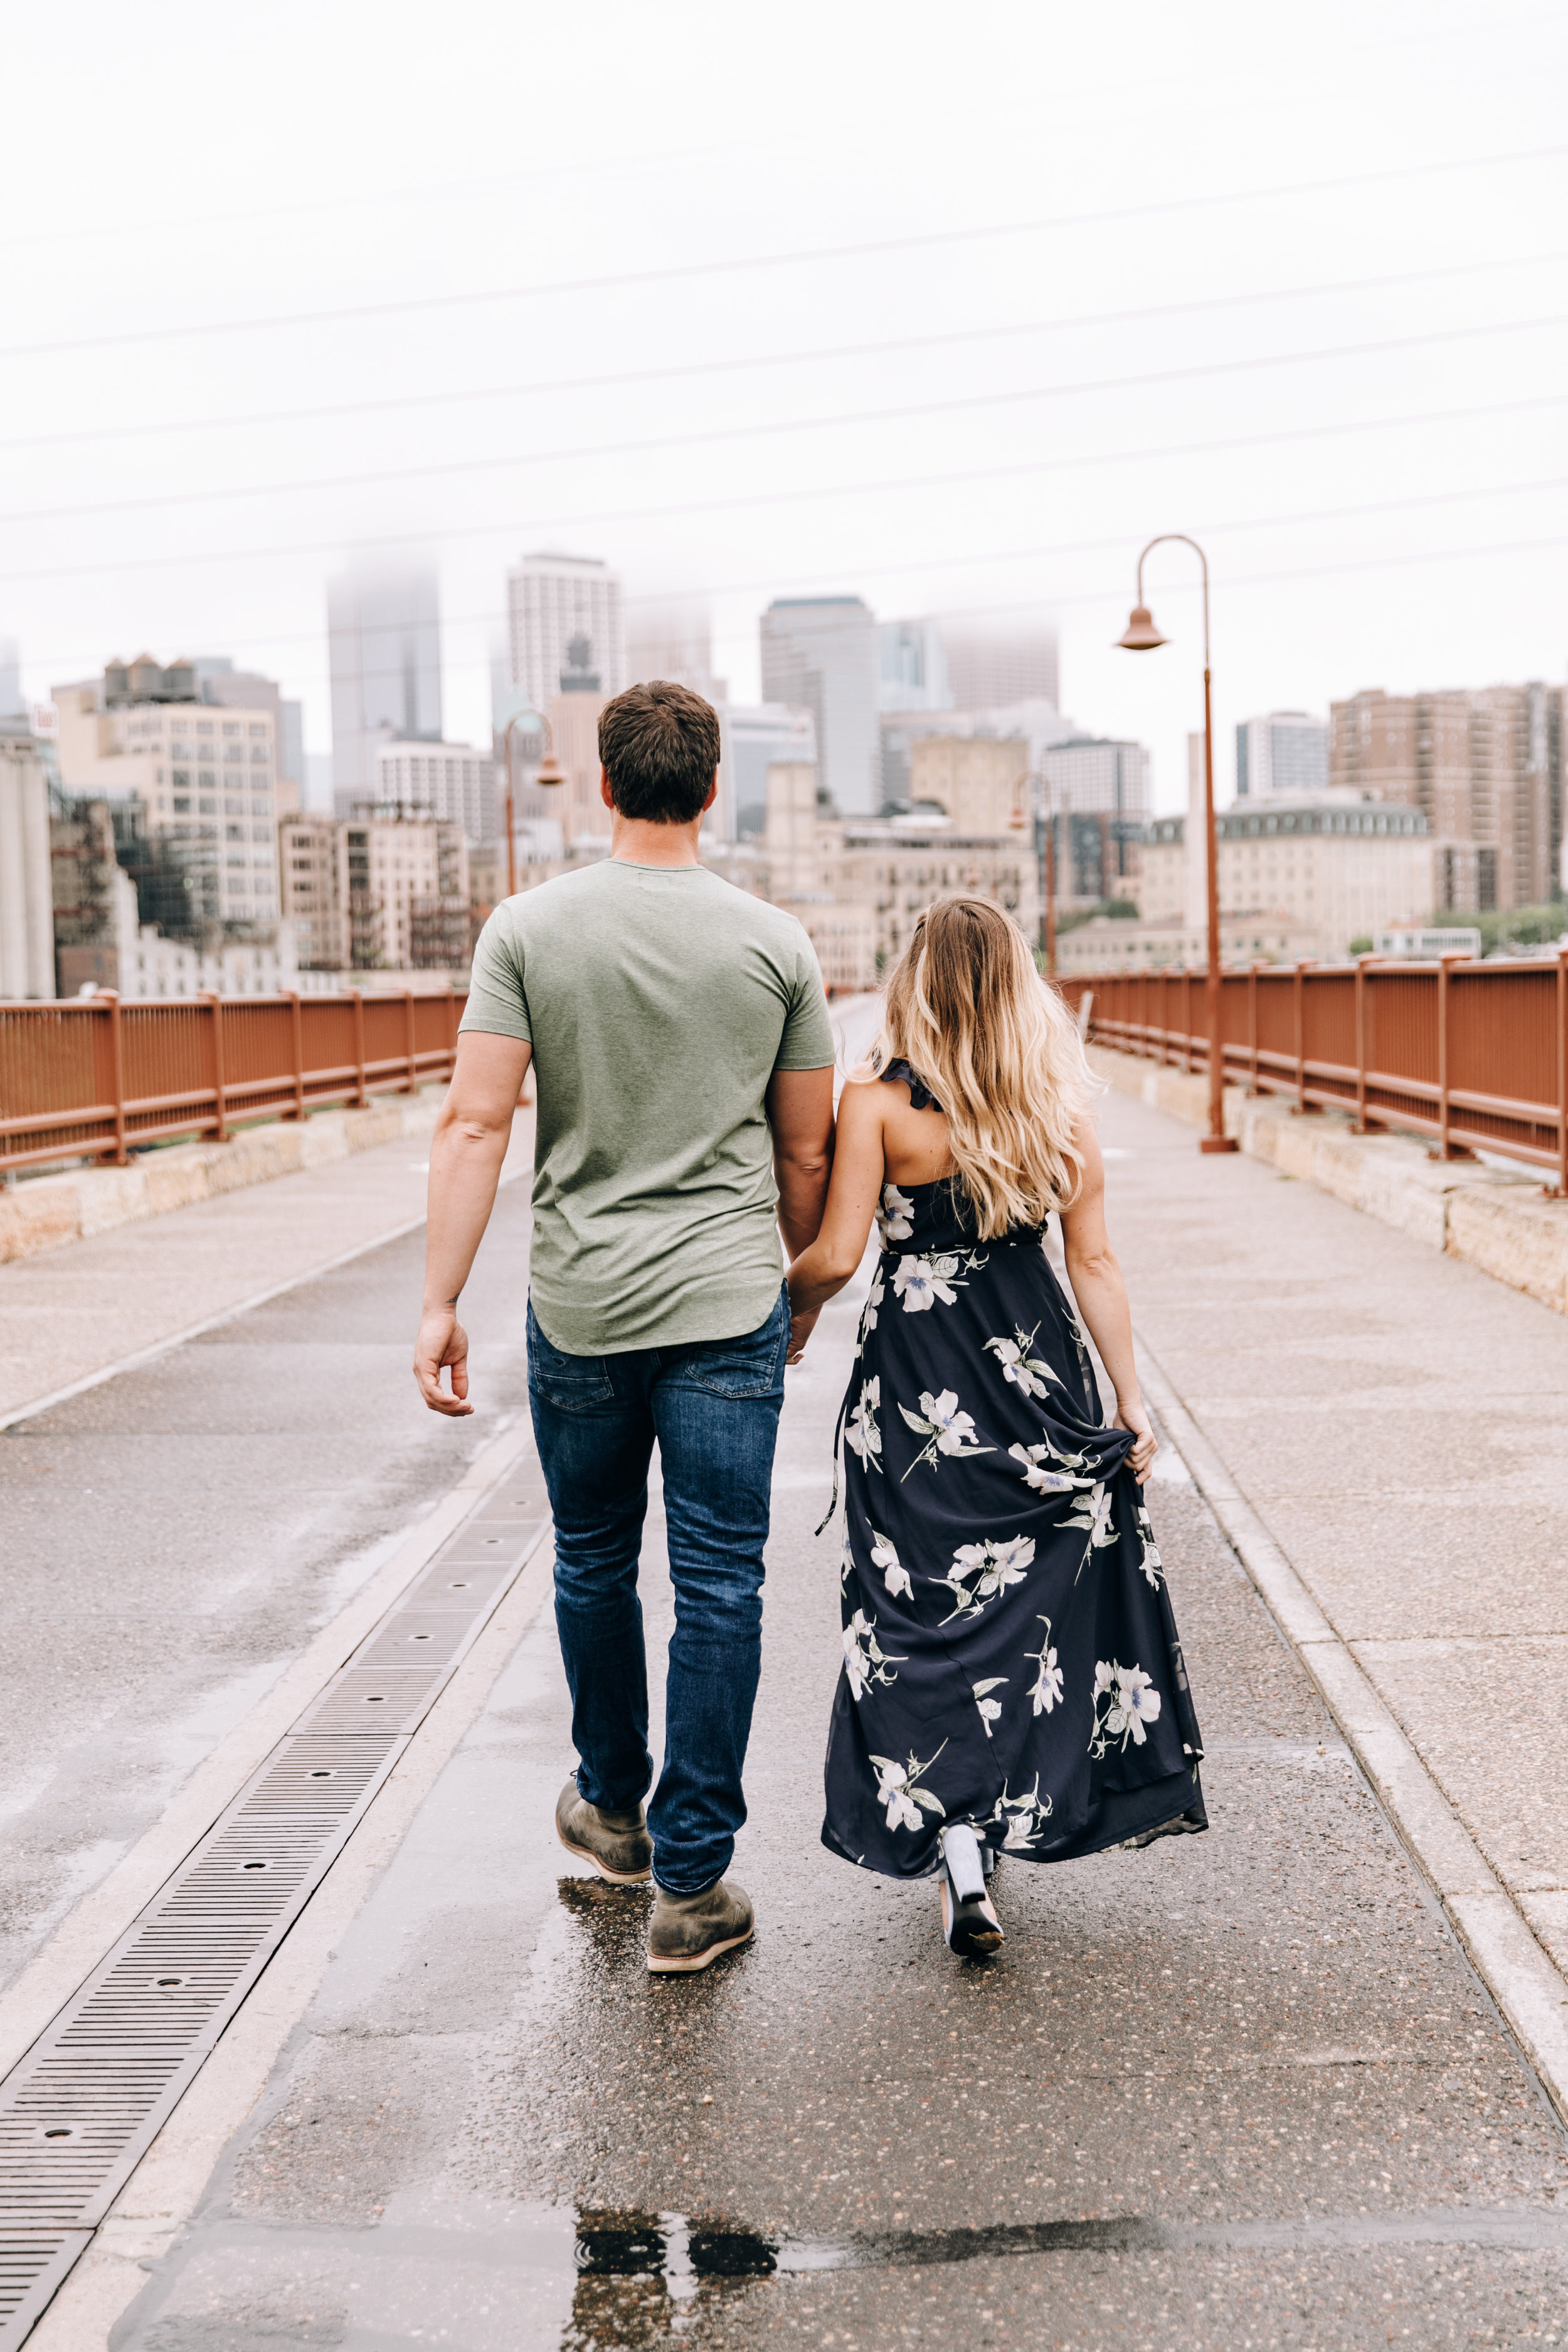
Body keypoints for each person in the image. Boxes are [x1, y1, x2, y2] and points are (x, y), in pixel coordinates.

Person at [413, 681, 835, 1974]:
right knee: (719, 1581)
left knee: (593, 1560)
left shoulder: (527, 931)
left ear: (604, 786)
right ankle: (692, 1888)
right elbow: (808, 1144)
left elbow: (477, 1124)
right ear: (712, 789)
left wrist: (438, 1301)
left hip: (580, 1305)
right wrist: (797, 1283)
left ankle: (610, 1810)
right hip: (721, 1306)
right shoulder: (773, 942)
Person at [786, 896, 1205, 1957]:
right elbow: (1095, 1263)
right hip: (1030, 1375)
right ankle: (999, 1823)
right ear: (1020, 989)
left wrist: (784, 1315)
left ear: (912, 985)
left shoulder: (876, 1104)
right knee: (1023, 1612)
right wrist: (1129, 1401)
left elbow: (838, 1256)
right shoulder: (1056, 1111)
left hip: (914, 1390)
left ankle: (958, 1843)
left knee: (917, 1608)